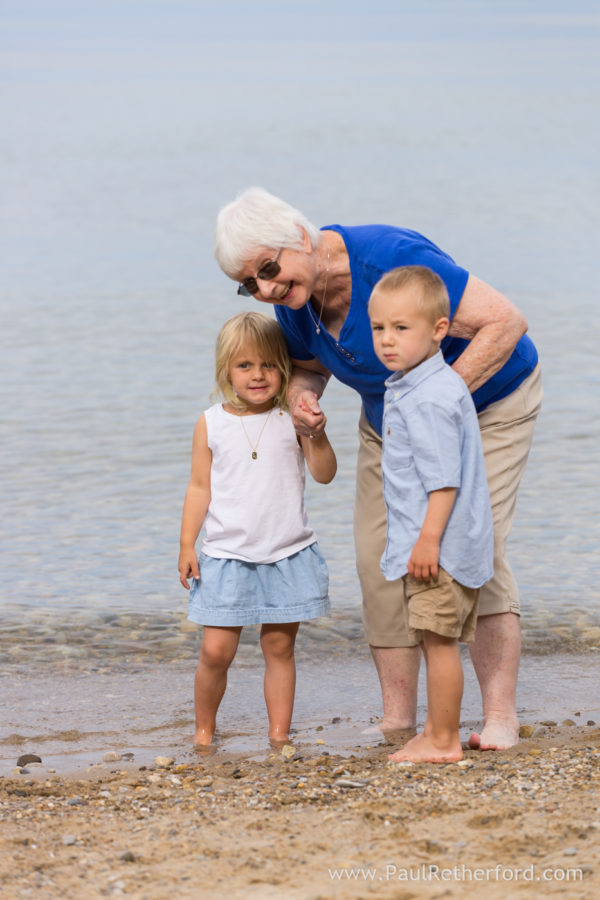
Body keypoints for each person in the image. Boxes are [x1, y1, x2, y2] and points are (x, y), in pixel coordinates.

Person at [214, 187, 543, 750]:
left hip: (487, 402)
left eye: (268, 269)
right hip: (390, 420)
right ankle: (398, 718)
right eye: (249, 283)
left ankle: (499, 718)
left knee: (470, 550)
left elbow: (505, 323)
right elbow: (310, 366)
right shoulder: (294, 304)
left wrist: (434, 405)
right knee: (380, 556)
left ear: (300, 237)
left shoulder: (390, 258)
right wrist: (302, 396)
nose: (265, 289)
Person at [178, 311, 337, 747]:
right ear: (226, 370)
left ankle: (279, 735)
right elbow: (199, 487)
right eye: (245, 365)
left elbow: (325, 474)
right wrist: (187, 544)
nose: (258, 375)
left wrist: (317, 434)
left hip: (287, 553)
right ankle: (204, 732)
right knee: (215, 652)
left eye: (269, 364)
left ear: (284, 367)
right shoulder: (211, 422)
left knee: (279, 648)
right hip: (226, 555)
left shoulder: (293, 417)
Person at [368, 266, 494, 762]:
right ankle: (436, 729)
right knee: (433, 638)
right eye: (379, 327)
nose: (387, 340)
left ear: (439, 329)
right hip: (442, 543)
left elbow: (443, 482)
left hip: (438, 548)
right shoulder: (426, 385)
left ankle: (443, 740)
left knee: (439, 643)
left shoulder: (428, 399)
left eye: (401, 328)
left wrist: (427, 541)